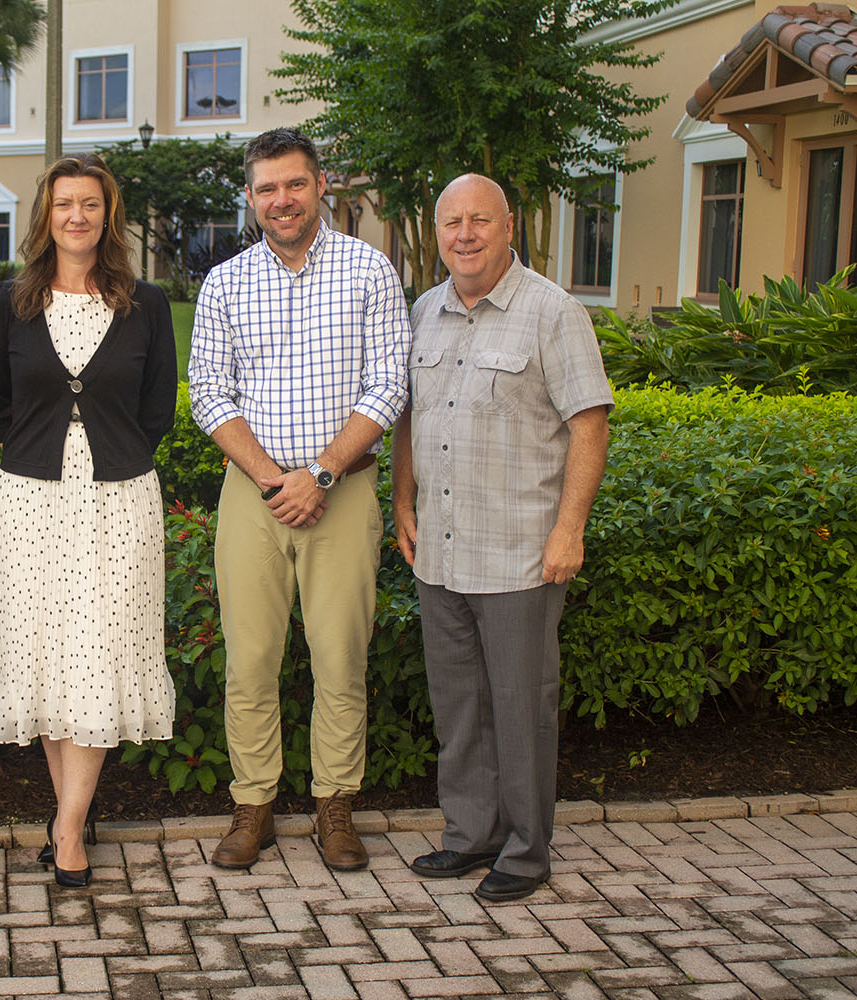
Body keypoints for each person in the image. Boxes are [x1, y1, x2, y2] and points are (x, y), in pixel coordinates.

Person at [188, 128, 412, 871]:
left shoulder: (369, 270)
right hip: (254, 494)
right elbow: (209, 395)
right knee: (251, 660)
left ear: (321, 185)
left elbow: (389, 384)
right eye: (267, 188)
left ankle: (334, 807)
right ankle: (252, 805)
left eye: (294, 184)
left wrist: (318, 473)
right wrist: (271, 477)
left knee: (340, 655)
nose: (281, 199)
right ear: (250, 198)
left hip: (340, 491)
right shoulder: (225, 283)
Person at [393, 173, 613, 903]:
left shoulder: (553, 312)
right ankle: (469, 836)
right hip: (442, 550)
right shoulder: (424, 310)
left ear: (509, 225)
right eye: (451, 221)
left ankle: (525, 851)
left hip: (520, 552)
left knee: (521, 707)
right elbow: (406, 418)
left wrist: (569, 529)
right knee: (459, 705)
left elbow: (590, 423)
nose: (464, 234)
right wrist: (401, 499)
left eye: (479, 221)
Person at [0, 154, 177, 888]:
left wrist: (105, 456)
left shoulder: (144, 303)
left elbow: (157, 407)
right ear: (47, 214)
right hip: (32, 500)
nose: (77, 217)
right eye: (65, 204)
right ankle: (70, 821)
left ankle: (65, 829)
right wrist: (43, 452)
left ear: (108, 214)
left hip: (120, 499)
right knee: (50, 652)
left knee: (99, 646)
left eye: (90, 204)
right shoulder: (14, 301)